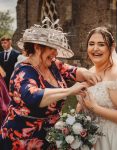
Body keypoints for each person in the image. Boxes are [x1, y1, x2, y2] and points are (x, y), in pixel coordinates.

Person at [0, 18, 100, 149]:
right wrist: (70, 91)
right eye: (52, 48)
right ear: (37, 47)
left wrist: (87, 73)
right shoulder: (22, 72)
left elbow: (74, 71)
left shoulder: (53, 65)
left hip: (49, 138)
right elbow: (34, 97)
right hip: (20, 140)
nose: (56, 53)